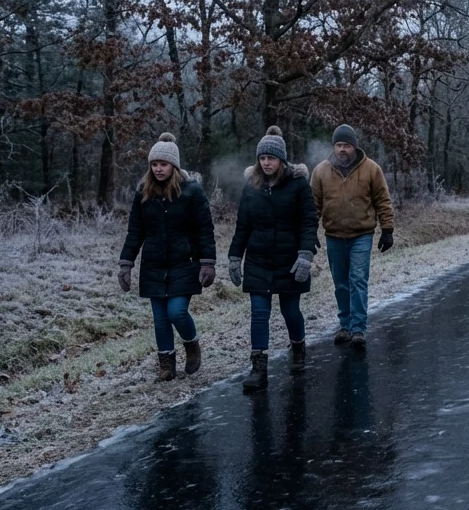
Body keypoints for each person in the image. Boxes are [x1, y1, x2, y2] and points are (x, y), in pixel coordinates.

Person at [118, 133, 217, 382]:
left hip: (184, 262)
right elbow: (135, 231)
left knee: (177, 312)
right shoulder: (143, 192)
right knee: (160, 318)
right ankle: (167, 364)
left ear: (174, 165)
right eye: (154, 164)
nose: (158, 169)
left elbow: (205, 228)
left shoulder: (191, 191)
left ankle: (191, 344)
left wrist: (207, 262)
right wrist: (126, 264)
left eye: (163, 164)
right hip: (153, 263)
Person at [229, 126, 318, 393]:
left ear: (282, 160)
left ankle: (298, 347)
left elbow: (308, 222)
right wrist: (235, 257)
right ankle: (258, 367)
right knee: (259, 313)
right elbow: (242, 225)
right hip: (258, 259)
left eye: (271, 158)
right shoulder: (252, 187)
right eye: (262, 158)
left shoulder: (298, 185)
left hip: (289, 259)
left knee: (290, 311)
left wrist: (305, 255)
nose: (266, 163)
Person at [311, 124, 394, 351]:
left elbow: (382, 200)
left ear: (354, 146)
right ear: (334, 147)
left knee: (358, 279)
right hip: (334, 234)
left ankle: (358, 328)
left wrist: (387, 229)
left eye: (346, 145)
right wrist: (309, 232)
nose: (342, 150)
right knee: (340, 283)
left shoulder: (371, 169)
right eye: (338, 145)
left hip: (362, 234)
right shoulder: (321, 171)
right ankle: (345, 325)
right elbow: (313, 205)